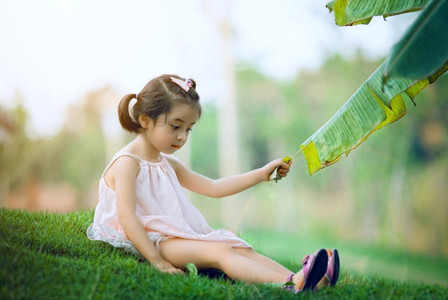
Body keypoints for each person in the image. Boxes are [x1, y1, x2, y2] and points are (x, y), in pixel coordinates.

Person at [87, 74, 339, 293]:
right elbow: (127, 218)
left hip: (168, 238)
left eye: (188, 129)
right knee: (219, 251)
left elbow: (214, 187)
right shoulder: (127, 163)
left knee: (235, 244)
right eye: (176, 126)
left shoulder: (166, 163)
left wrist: (261, 173)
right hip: (147, 242)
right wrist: (157, 261)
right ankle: (291, 283)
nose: (181, 137)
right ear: (144, 120)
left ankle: (303, 279)